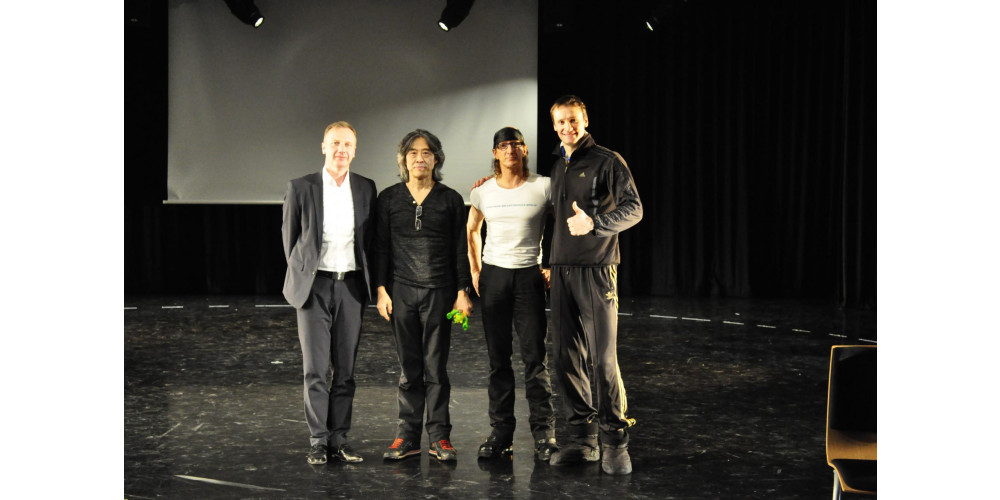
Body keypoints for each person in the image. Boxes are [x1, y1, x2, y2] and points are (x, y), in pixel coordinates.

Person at [546, 95, 643, 475]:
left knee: (602, 359)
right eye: (560, 123)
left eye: (572, 121)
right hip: (561, 270)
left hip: (598, 269)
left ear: (584, 120)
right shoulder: (559, 166)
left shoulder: (607, 160)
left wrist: (595, 224)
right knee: (565, 358)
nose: (567, 128)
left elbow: (634, 208)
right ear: (554, 127)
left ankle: (615, 441)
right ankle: (583, 440)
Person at [281, 121, 377, 465]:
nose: (341, 150)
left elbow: (370, 242)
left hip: (351, 287)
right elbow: (291, 241)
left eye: (348, 144)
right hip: (314, 287)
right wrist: (306, 275)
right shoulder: (301, 187)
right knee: (316, 370)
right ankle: (318, 440)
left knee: (346, 370)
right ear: (323, 146)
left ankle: (340, 439)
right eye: (335, 143)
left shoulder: (366, 188)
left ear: (355, 149)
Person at [374, 129, 473, 462]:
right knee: (409, 369)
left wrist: (462, 292)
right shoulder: (388, 199)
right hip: (401, 292)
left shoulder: (450, 199)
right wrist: (381, 290)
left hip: (441, 294)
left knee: (436, 369)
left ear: (436, 159)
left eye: (427, 152)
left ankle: (440, 437)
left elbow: (461, 249)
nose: (419, 157)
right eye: (413, 152)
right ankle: (407, 437)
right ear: (403, 159)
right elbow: (381, 248)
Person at [467, 127, 558, 462]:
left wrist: (552, 265)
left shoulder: (544, 186)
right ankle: (501, 433)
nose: (510, 150)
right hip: (494, 278)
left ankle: (544, 435)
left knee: (535, 359)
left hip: (529, 279)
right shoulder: (483, 191)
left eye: (515, 144)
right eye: (503, 146)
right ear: (495, 153)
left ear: (524, 150)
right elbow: (471, 229)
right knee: (498, 360)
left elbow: (562, 225)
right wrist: (476, 271)